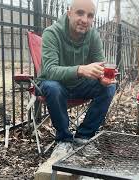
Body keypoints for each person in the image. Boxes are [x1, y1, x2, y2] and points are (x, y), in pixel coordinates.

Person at [37, 0, 116, 156]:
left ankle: (83, 137)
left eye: (90, 16)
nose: (84, 20)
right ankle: (63, 141)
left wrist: (102, 77)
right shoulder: (52, 33)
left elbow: (100, 64)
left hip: (79, 86)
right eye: (80, 13)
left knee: (109, 87)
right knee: (53, 87)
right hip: (55, 86)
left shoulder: (93, 34)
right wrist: (80, 69)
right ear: (69, 13)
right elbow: (49, 70)